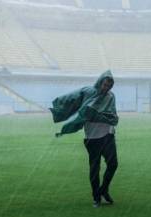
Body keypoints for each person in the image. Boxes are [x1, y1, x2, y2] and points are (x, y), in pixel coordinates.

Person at [50, 70, 119, 207]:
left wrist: (109, 117)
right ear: (100, 82)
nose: (106, 88)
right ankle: (96, 197)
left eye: (109, 86)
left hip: (108, 135)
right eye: (105, 85)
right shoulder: (88, 92)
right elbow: (73, 98)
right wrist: (60, 105)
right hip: (92, 137)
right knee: (95, 168)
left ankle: (103, 190)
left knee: (113, 164)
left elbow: (112, 113)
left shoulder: (111, 96)